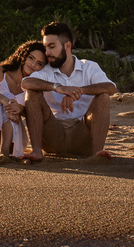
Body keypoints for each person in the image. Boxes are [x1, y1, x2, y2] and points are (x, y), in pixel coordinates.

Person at [22, 21, 116, 162]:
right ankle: (36, 152)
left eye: (52, 47)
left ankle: (97, 155)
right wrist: (58, 87)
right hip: (54, 134)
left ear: (67, 46)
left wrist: (78, 91)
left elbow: (110, 87)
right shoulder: (46, 70)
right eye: (46, 47)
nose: (47, 52)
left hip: (82, 135)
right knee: (32, 93)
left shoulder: (89, 67)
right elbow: (26, 82)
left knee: (103, 97)